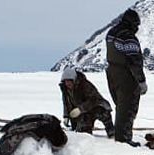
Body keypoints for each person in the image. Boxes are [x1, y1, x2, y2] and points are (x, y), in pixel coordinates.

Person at [106, 9, 147, 147]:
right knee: (128, 108)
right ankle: (124, 140)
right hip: (126, 76)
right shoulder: (128, 37)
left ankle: (120, 137)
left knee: (120, 106)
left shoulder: (111, 33)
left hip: (112, 73)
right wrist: (141, 81)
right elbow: (134, 61)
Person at [59, 67, 115, 138]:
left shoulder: (85, 85)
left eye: (69, 81)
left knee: (103, 113)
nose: (68, 83)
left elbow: (94, 99)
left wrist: (80, 109)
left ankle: (112, 133)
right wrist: (66, 116)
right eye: (66, 81)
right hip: (84, 113)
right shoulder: (65, 89)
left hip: (97, 106)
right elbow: (66, 103)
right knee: (83, 134)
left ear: (74, 80)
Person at [0, 114, 68, 155]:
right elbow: (20, 130)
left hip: (27, 123)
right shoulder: (47, 125)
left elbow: (23, 123)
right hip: (30, 126)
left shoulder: (49, 122)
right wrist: (1, 154)